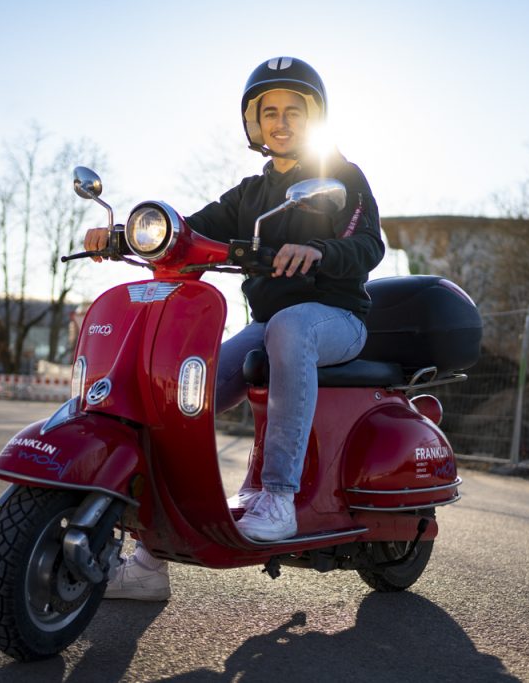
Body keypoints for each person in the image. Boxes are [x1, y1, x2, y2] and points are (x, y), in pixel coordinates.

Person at [85, 57, 383, 600]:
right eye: (269, 112)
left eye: (293, 110)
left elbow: (368, 245)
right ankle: (149, 559)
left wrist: (320, 250)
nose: (281, 121)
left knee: (289, 327)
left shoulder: (340, 175)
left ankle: (279, 498)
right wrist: (123, 236)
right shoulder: (248, 193)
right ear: (254, 123)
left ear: (314, 117)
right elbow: (186, 230)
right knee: (181, 386)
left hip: (337, 319)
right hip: (270, 325)